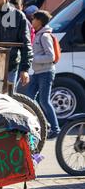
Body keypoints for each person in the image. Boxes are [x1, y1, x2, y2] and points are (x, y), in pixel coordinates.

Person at [24, 10, 60, 139]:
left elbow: (51, 56)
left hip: (46, 72)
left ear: (39, 21)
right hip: (38, 72)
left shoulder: (44, 36)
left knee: (44, 101)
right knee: (29, 99)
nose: (32, 21)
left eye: (34, 19)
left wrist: (33, 58)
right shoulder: (38, 35)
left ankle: (55, 129)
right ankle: (43, 124)